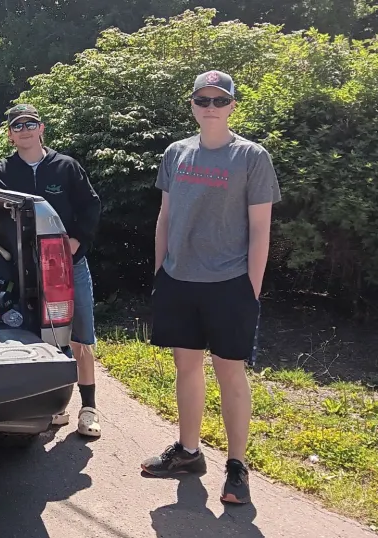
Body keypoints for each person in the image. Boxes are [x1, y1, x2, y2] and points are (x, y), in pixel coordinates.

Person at [142, 70, 281, 505]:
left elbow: (261, 230)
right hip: (179, 281)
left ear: (233, 106)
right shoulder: (176, 152)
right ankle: (188, 452)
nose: (210, 107)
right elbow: (164, 217)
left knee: (230, 374)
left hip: (230, 284)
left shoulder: (251, 157)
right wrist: (161, 270)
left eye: (219, 100)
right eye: (202, 100)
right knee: (187, 368)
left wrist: (251, 289)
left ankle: (236, 467)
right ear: (193, 105)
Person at [0, 103, 103, 438]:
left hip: (67, 268)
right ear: (10, 135)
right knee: (41, 337)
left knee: (80, 339)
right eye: (17, 126)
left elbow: (91, 206)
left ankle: (88, 409)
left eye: (30, 124)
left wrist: (76, 242)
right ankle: (53, 407)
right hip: (25, 272)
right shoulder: (0, 170)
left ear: (41, 128)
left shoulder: (66, 167)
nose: (25, 130)